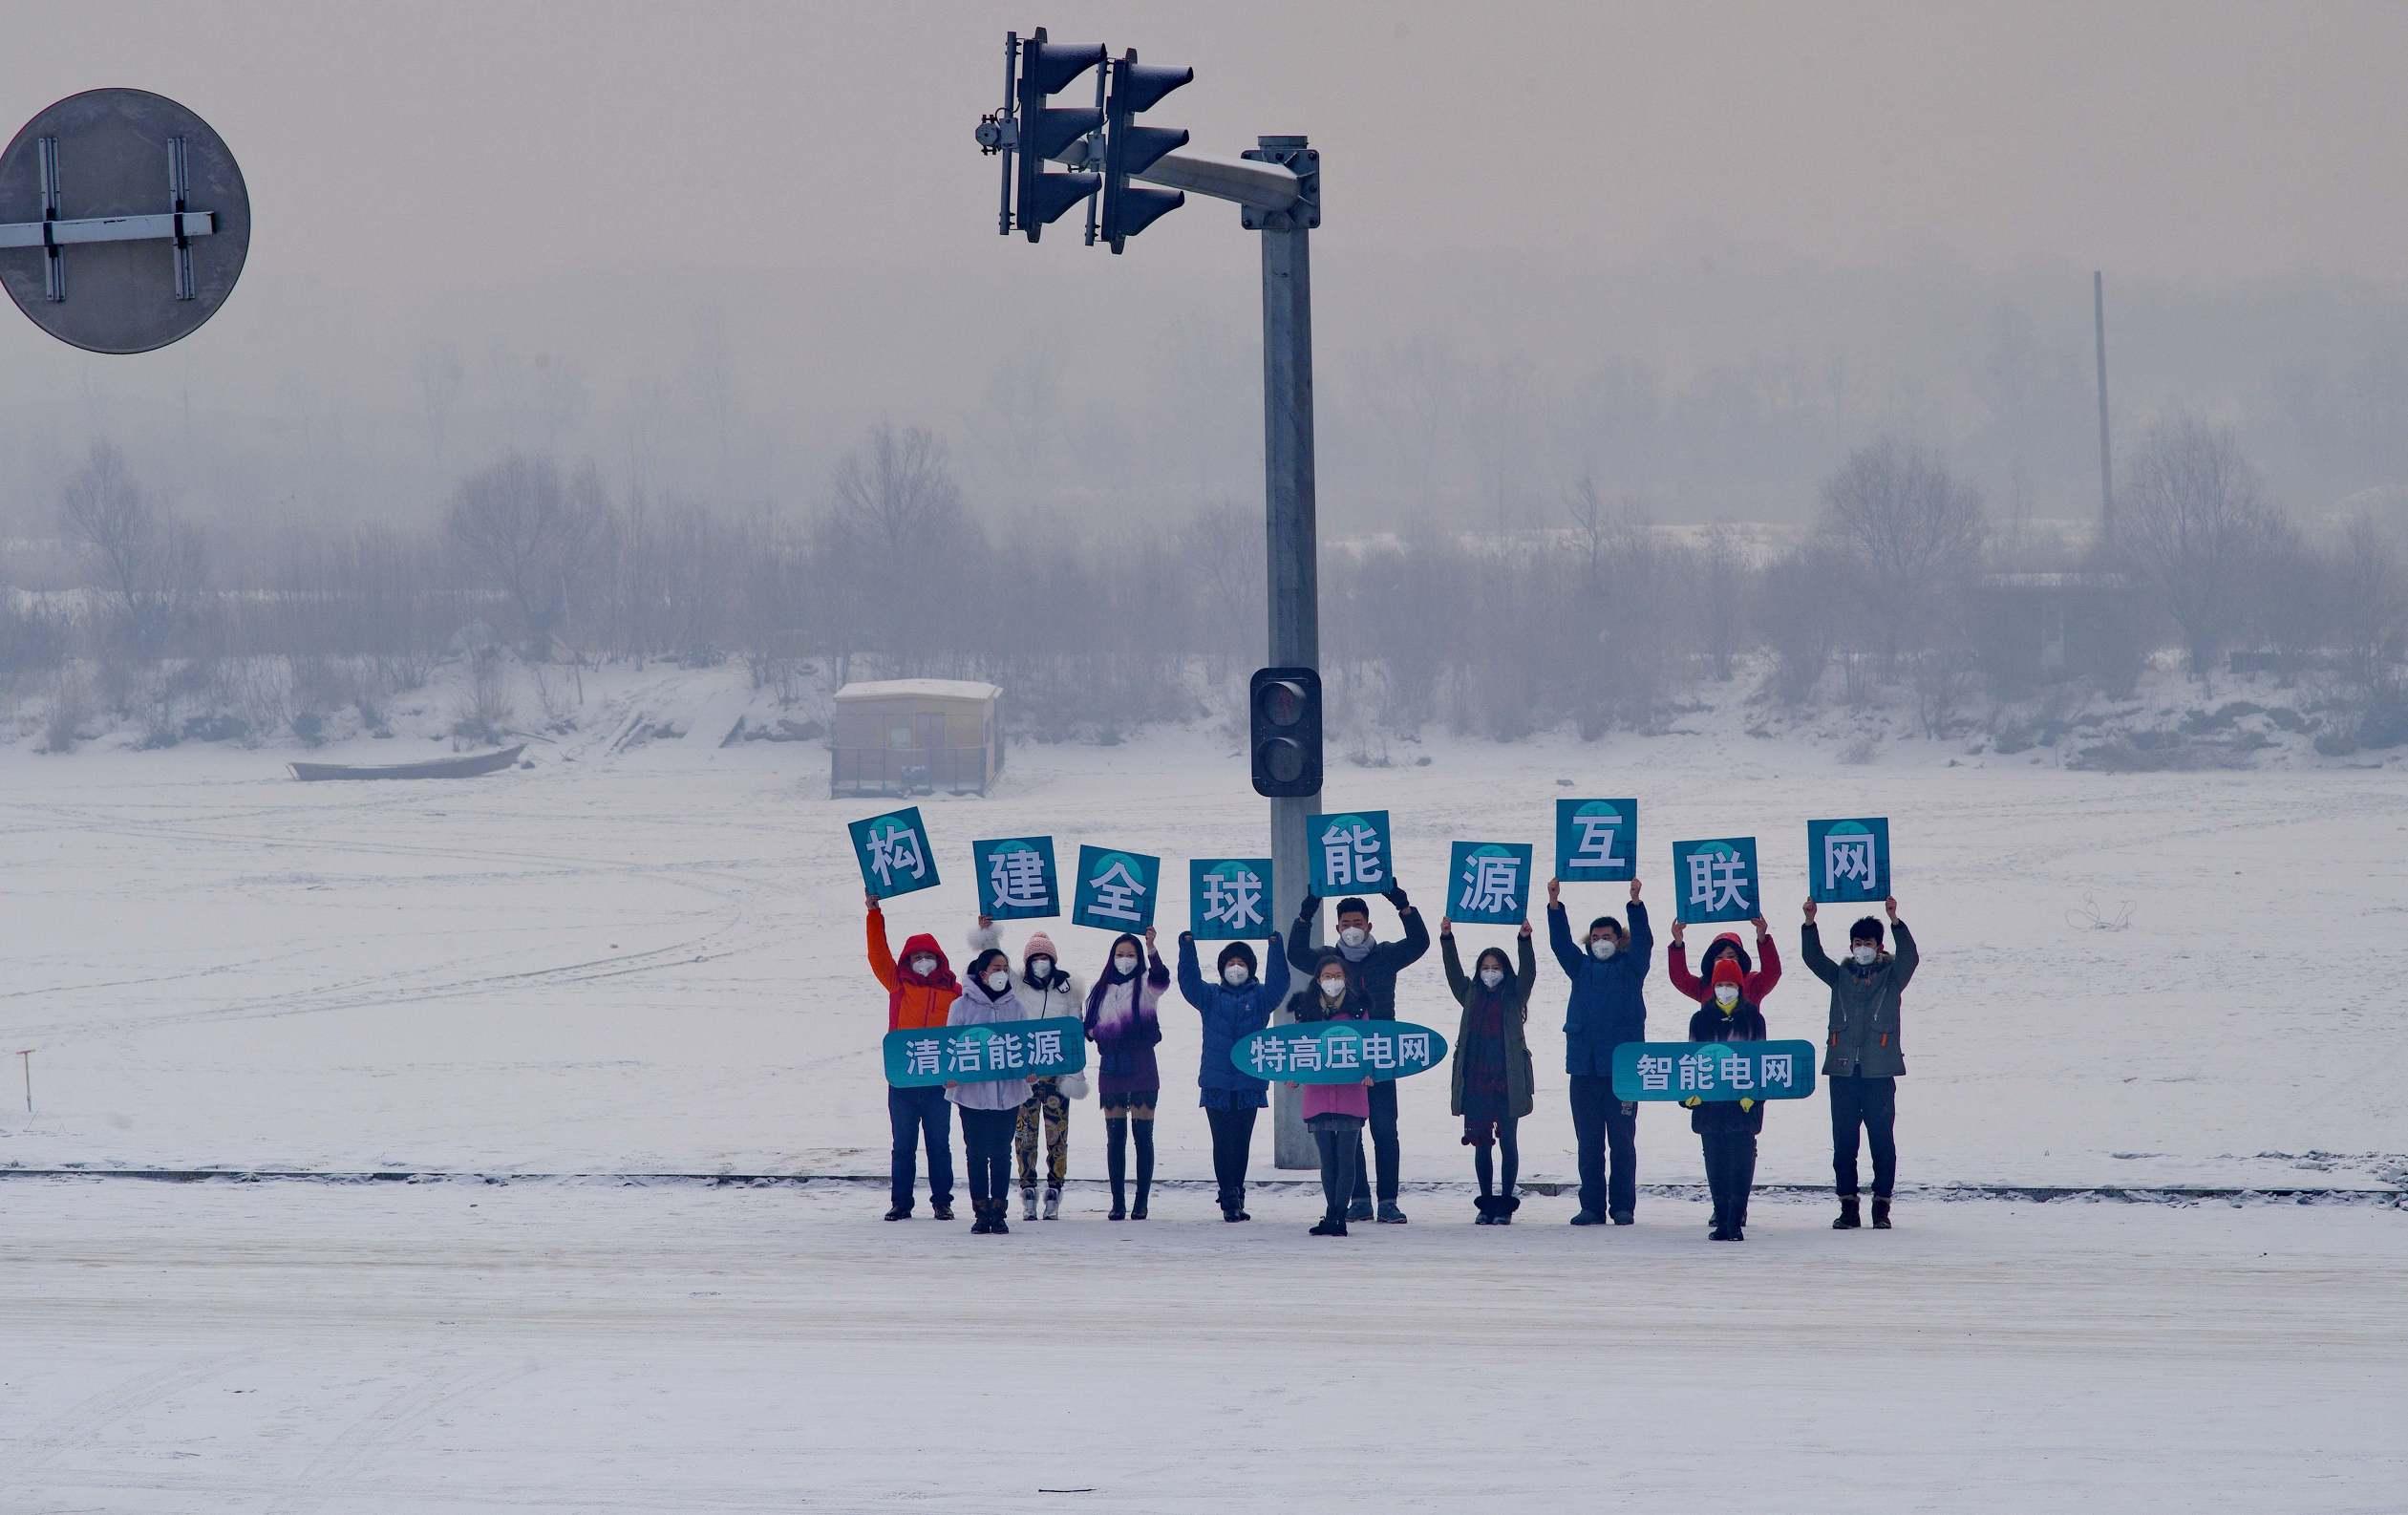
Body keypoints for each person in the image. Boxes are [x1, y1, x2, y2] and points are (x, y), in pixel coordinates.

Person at [1285, 886, 1430, 1223]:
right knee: (1352, 1129)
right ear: (1337, 928)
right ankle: (1360, 1198)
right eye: (1346, 922)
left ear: (1369, 926)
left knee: (1384, 1128)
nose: (1352, 928)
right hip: (1344, 1056)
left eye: (1358, 922)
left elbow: (1420, 944)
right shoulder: (1327, 962)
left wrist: (1404, 905)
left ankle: (1389, 1201)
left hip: (1382, 1055)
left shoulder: (1387, 956)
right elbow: (1295, 953)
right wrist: (1306, 913)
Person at [1801, 894, 1919, 1230]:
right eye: (1857, 942)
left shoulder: (1892, 977)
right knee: (1844, 1142)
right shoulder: (1840, 976)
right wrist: (1810, 922)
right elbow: (1813, 958)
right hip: (1842, 1071)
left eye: (1868, 943)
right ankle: (1848, 1206)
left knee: (1882, 1140)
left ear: (1879, 946)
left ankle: (1881, 1206)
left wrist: (1895, 921)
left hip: (1879, 1073)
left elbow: (1910, 957)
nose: (1862, 948)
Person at [1546, 876, 1652, 1226]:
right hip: (1584, 1069)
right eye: (1595, 938)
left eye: (1607, 937)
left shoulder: (1632, 968)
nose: (1601, 942)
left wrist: (1635, 905)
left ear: (1618, 940)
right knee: (1589, 1143)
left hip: (1622, 1071)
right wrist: (1555, 906)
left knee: (1622, 1143)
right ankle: (1591, 1206)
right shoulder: (1580, 969)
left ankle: (1622, 1206)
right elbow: (1560, 945)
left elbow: (1645, 943)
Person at [970, 920, 1088, 1222]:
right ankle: (1028, 1190)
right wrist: (988, 935)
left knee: (1057, 1135)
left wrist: (1075, 1073)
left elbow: (1075, 1033)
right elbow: (995, 966)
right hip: (1027, 1075)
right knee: (1024, 1135)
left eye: (1045, 958)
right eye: (1035, 959)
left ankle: (1055, 1189)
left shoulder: (1068, 989)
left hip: (1057, 1076)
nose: (1041, 964)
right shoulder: (1018, 986)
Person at [1176, 927, 1291, 1222]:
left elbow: (1280, 984)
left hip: (1249, 1083)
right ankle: (1227, 1197)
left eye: (1241, 963)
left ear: (1249, 968)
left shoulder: (1262, 997)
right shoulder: (1211, 997)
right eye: (1230, 963)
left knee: (1241, 1142)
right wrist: (1187, 947)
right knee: (1222, 1141)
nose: (1235, 968)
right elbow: (1188, 984)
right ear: (1222, 968)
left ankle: (1237, 1193)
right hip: (1216, 1083)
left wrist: (1275, 947)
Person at [866, 890, 959, 1222]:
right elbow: (878, 956)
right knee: (902, 1146)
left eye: (928, 956)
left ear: (939, 958)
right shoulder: (898, 985)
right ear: (908, 961)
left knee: (939, 1145)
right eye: (916, 957)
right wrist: (874, 913)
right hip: (903, 1082)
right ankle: (901, 1203)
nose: (922, 962)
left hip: (939, 1083)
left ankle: (942, 1201)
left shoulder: (954, 992)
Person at [1439, 915, 1537, 1226]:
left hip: (1508, 1080)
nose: (1490, 973)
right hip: (1477, 1082)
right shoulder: (1470, 995)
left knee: (1509, 1141)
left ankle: (1505, 1203)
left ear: (1505, 971)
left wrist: (1524, 941)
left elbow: (1530, 973)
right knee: (1481, 1143)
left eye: (1496, 968)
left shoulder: (1514, 996)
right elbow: (1453, 973)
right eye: (1486, 967)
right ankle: (1485, 1204)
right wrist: (1447, 938)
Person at [1287, 952, 1374, 1237]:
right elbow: (1299, 1048)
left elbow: (1370, 1047)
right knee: (1329, 1159)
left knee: (1347, 1157)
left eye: (1337, 976)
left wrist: (1370, 1071)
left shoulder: (1359, 1010)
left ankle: (1339, 1216)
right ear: (1318, 979)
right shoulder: (1306, 1011)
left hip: (1350, 1094)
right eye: (1327, 976)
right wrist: (1294, 1075)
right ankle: (1330, 1212)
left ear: (1345, 978)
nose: (1332, 981)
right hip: (1319, 1094)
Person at [948, 948, 1034, 1235]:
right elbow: (950, 1047)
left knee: (1001, 1153)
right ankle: (980, 1211)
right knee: (976, 1153)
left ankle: (999, 1211)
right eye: (995, 968)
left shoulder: (1016, 1007)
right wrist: (949, 1076)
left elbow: (1025, 1048)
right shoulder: (961, 1006)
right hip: (971, 1095)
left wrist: (1029, 1071)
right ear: (982, 972)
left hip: (1007, 1093)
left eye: (1005, 968)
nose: (1001, 973)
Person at [1085, 927, 1168, 1220]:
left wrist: (1151, 949)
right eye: (1120, 954)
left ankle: (1141, 1201)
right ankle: (1117, 1201)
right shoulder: (1099, 991)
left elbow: (1162, 979)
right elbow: (1090, 1029)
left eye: (1130, 955)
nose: (1124, 960)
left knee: (1143, 1136)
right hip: (1111, 1069)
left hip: (1143, 1064)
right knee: (1115, 1136)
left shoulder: (1146, 983)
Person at [1684, 956, 1769, 1241]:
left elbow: (1760, 1061)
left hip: (1742, 1106)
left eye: (1730, 984)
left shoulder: (1753, 1018)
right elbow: (1692, 1060)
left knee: (1741, 1162)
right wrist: (1690, 1096)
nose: (1724, 989)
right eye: (1719, 984)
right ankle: (1721, 1216)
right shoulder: (1700, 1019)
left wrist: (1753, 1097)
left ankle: (1735, 1219)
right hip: (1709, 1107)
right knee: (1715, 1161)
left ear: (1740, 986)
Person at [1665, 915, 1780, 1010]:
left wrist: (1763, 940)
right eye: (1719, 957)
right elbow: (1680, 979)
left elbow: (1772, 973)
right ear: (1712, 961)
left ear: (1740, 959)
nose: (1725, 960)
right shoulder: (1704, 985)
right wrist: (1678, 944)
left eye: (1731, 956)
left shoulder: (1752, 983)